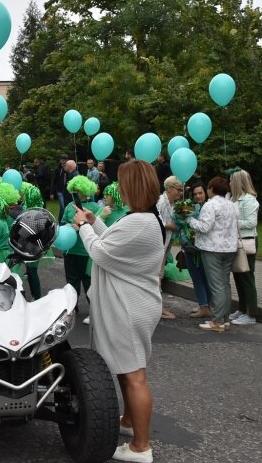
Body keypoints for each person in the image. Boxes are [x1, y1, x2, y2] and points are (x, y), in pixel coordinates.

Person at [72, 160, 166, 463]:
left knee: (134, 374)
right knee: (128, 370)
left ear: (133, 186)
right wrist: (95, 222)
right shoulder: (145, 218)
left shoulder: (140, 221)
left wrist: (84, 227)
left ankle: (141, 447)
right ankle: (128, 422)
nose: (118, 188)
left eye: (123, 183)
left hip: (130, 306)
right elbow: (114, 241)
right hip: (133, 302)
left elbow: (101, 251)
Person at [186, 177, 239, 332]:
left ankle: (216, 321)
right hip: (230, 249)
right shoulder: (232, 205)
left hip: (212, 249)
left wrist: (189, 219)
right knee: (225, 284)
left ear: (212, 189)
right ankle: (224, 319)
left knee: (216, 286)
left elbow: (204, 227)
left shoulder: (210, 205)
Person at [61, 176, 101, 322]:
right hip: (71, 250)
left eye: (79, 191)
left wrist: (83, 226)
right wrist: (68, 226)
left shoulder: (95, 208)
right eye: (74, 191)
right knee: (71, 282)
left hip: (86, 252)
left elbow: (97, 227)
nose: (75, 193)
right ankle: (72, 308)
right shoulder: (69, 206)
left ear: (86, 191)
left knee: (88, 282)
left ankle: (95, 312)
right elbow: (63, 222)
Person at [229, 169, 259, 326]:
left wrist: (233, 222)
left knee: (247, 277)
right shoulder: (234, 199)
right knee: (238, 276)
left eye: (231, 180)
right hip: (236, 241)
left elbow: (251, 222)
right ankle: (242, 309)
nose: (229, 183)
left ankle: (251, 313)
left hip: (246, 241)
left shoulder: (249, 200)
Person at [180, 183, 212, 318]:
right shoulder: (189, 207)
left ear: (205, 193)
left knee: (203, 278)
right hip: (191, 247)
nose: (198, 196)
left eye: (200, 193)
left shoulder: (209, 208)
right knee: (198, 278)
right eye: (195, 194)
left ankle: (205, 306)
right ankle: (204, 304)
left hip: (202, 247)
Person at [156, 176, 184, 319]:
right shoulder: (162, 202)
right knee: (157, 275)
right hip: (159, 244)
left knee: (159, 274)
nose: (180, 193)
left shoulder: (172, 203)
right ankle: (158, 308)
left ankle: (158, 307)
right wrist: (174, 227)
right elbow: (157, 221)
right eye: (179, 190)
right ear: (170, 189)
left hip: (166, 243)